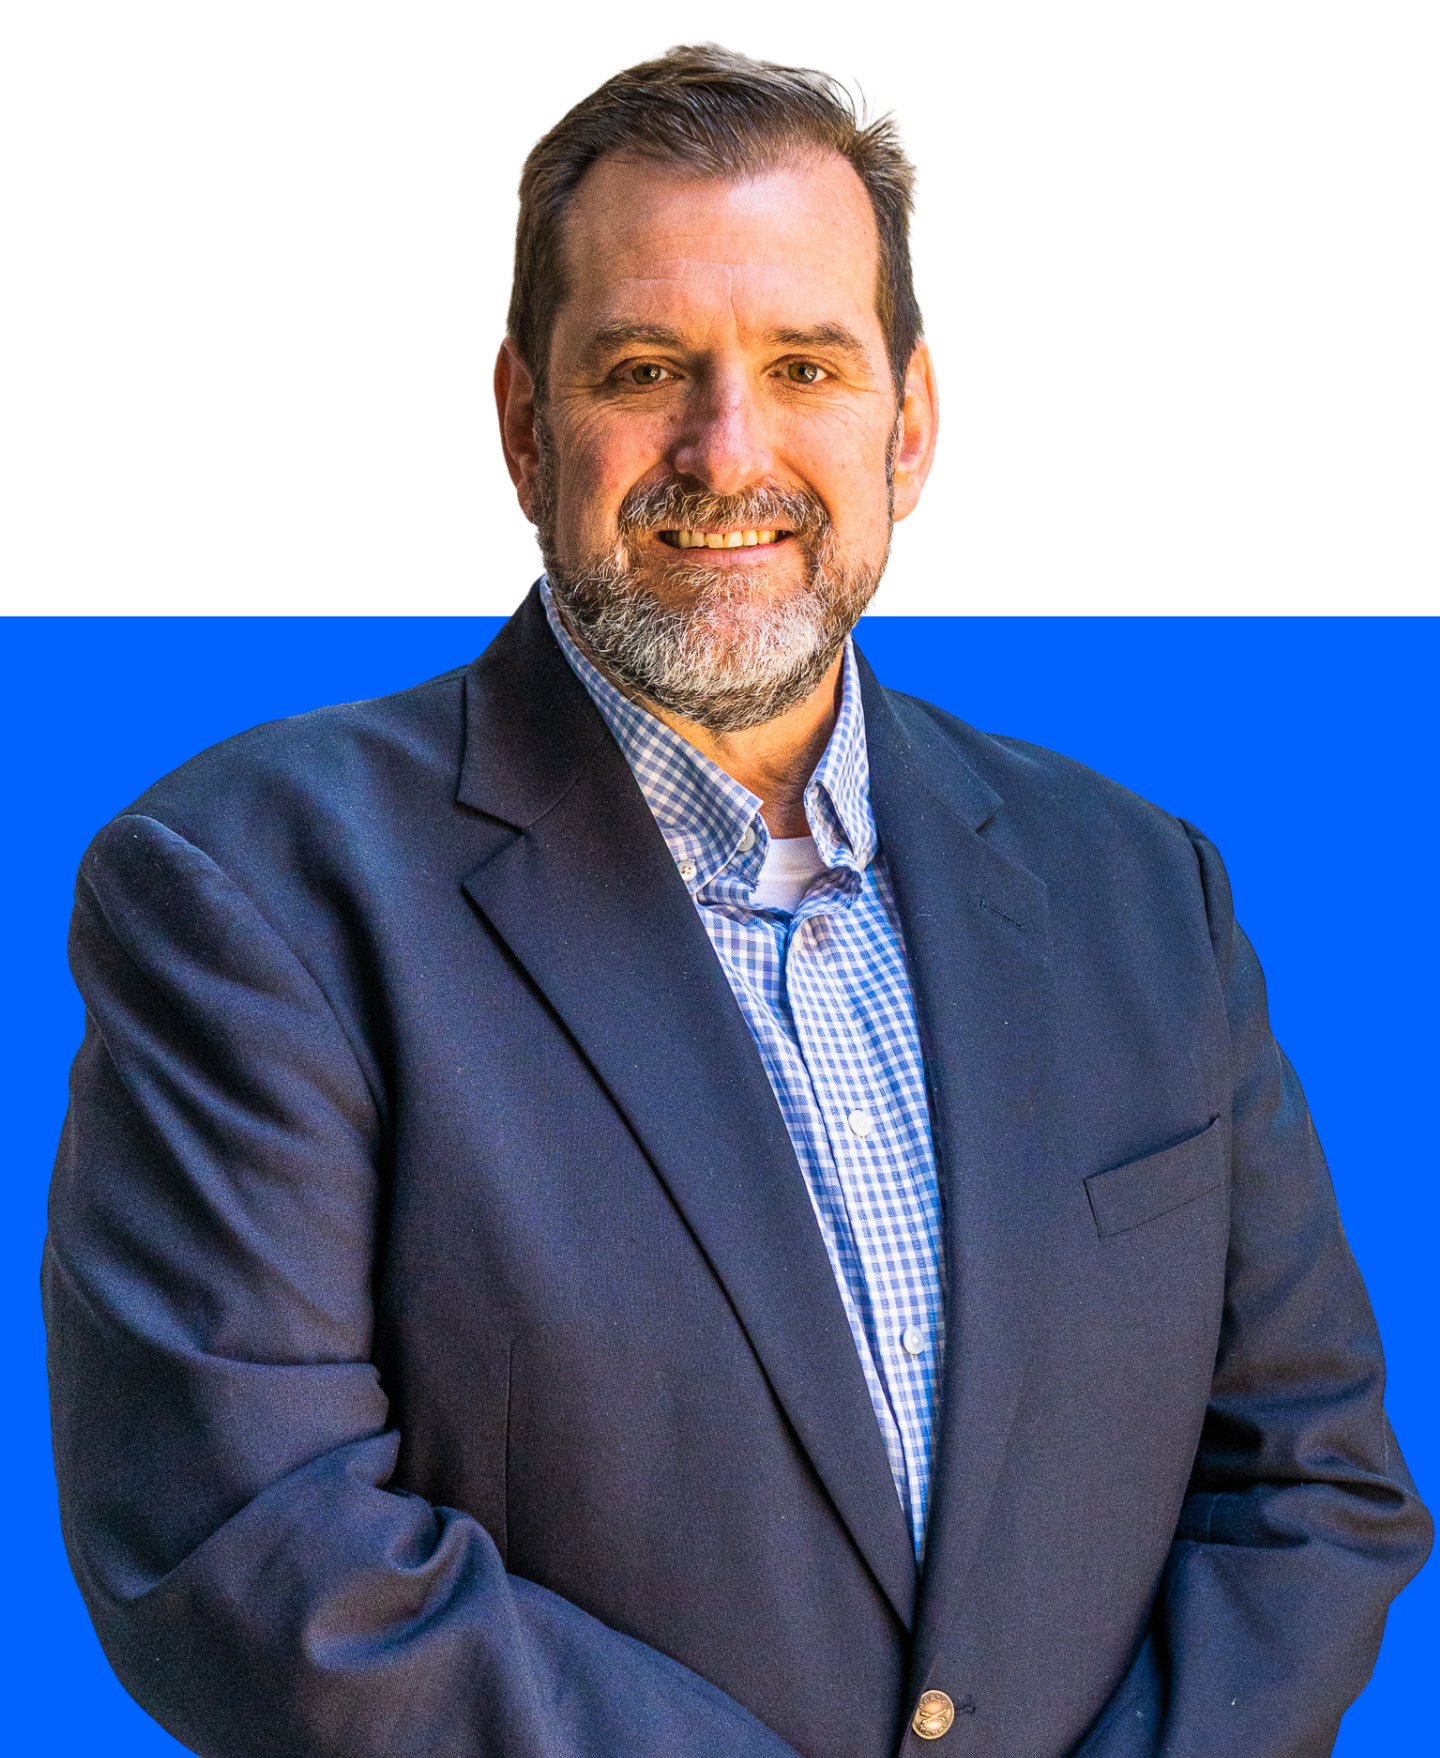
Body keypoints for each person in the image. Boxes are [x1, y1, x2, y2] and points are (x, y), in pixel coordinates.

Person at [44, 42, 1429, 1758]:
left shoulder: (1150, 890)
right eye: (645, 366)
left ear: (909, 426)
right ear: (519, 421)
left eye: (803, 365)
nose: (727, 446)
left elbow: (1313, 1482)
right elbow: (247, 1545)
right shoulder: (246, 890)